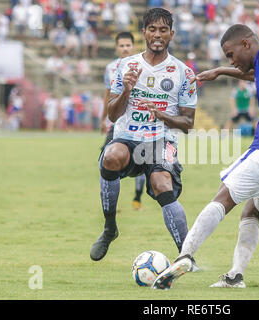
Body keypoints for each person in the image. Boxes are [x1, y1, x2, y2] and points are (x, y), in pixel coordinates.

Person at [153, 23, 259, 289]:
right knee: (252, 212)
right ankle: (235, 276)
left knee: (224, 193)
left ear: (246, 44)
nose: (231, 60)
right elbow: (254, 73)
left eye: (230, 55)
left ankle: (184, 255)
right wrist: (222, 71)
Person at [90, 8, 199, 271]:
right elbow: (112, 114)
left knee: (161, 182)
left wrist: (161, 114)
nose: (157, 35)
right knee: (111, 155)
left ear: (172, 34)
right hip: (127, 137)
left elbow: (188, 123)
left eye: (163, 30)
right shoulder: (126, 66)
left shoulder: (183, 73)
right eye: (152, 29)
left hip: (162, 141)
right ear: (144, 33)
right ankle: (110, 228)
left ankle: (186, 256)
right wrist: (126, 90)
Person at [101, 31, 146, 211]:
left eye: (128, 45)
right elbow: (107, 94)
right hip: (115, 122)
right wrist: (103, 118)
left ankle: (137, 197)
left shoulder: (142, 65)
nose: (125, 48)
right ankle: (111, 202)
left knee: (140, 161)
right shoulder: (110, 68)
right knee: (106, 158)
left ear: (133, 46)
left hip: (136, 123)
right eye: (122, 45)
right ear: (116, 48)